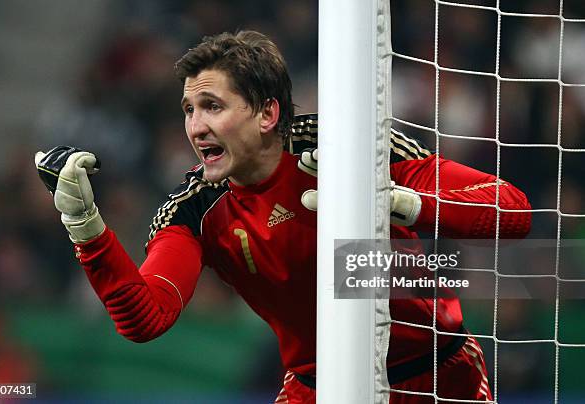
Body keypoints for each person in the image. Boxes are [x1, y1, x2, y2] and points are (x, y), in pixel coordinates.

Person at [34, 30, 531, 403]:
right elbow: (146, 318)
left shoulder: (351, 146)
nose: (196, 126)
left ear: (267, 114)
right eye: (189, 109)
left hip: (438, 377)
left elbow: (513, 209)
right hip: (317, 390)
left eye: (211, 106)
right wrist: (86, 226)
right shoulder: (195, 211)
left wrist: (402, 202)